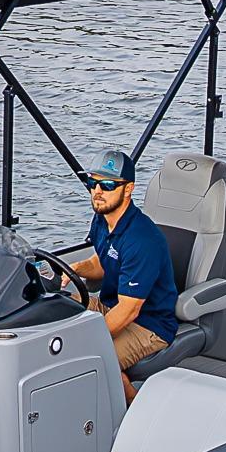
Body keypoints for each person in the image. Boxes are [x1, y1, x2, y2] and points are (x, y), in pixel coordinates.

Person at [65, 149, 178, 404]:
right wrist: (72, 270)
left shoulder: (142, 239)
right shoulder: (102, 218)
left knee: (92, 357)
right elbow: (102, 263)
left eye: (107, 185)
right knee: (54, 307)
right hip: (110, 306)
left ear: (128, 189)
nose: (97, 191)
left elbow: (129, 310)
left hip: (148, 325)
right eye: (92, 182)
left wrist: (84, 338)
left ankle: (134, 408)